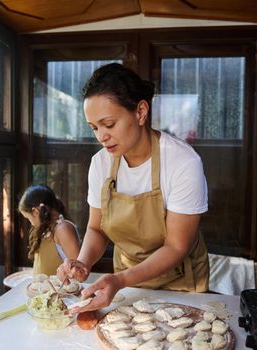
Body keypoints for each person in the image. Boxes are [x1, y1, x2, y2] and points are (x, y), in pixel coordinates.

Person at [57, 63, 210, 313]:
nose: (101, 137)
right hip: (126, 286)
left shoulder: (183, 162)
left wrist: (120, 280)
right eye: (94, 128)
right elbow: (97, 228)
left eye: (109, 124)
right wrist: (81, 263)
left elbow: (176, 246)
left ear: (140, 112)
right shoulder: (101, 163)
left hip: (180, 285)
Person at [18, 184, 80, 275]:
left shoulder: (63, 229)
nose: (30, 223)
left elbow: (78, 271)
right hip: (45, 288)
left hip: (60, 289)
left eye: (28, 218)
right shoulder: (46, 229)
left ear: (35, 211)